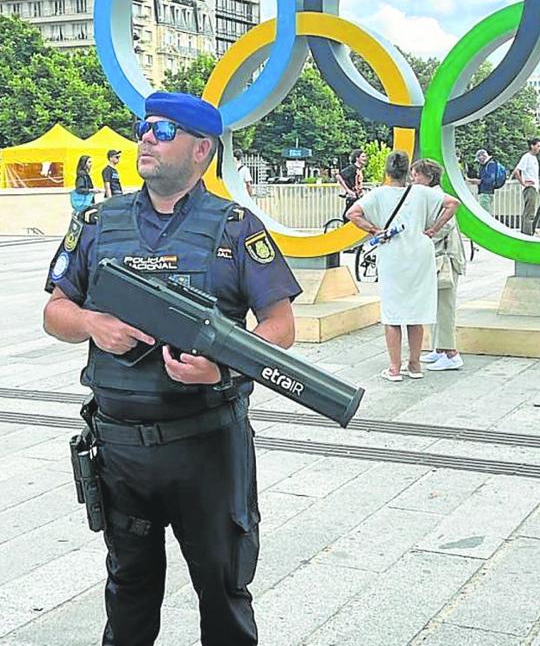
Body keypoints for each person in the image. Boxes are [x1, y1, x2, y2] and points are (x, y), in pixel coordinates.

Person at [43, 91, 300, 646]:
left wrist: (225, 369)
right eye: (144, 128)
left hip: (206, 446)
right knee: (129, 592)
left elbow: (280, 326)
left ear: (202, 149)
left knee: (224, 590)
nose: (145, 139)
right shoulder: (96, 222)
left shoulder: (234, 226)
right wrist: (91, 323)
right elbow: (54, 312)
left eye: (162, 131)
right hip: (121, 450)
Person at [347, 150, 458, 381]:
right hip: (419, 254)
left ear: (387, 171)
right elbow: (452, 204)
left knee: (393, 313)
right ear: (408, 171)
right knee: (416, 312)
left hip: (393, 256)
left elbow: (353, 213)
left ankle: (395, 368)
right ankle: (415, 365)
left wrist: (375, 230)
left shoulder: (378, 194)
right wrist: (433, 229)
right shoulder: (421, 192)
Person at [411, 159, 467, 371]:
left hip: (444, 256)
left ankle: (450, 352)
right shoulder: (432, 195)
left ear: (428, 176)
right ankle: (439, 348)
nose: (413, 179)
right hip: (438, 256)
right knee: (435, 304)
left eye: (417, 175)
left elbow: (446, 225)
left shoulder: (437, 197)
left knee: (444, 305)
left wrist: (426, 235)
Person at [512, 137, 540, 235]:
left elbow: (534, 176)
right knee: (529, 212)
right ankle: (527, 233)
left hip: (534, 188)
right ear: (532, 146)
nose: (539, 148)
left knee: (531, 211)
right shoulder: (527, 157)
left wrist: (539, 188)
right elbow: (516, 171)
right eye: (538, 146)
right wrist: (523, 183)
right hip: (529, 188)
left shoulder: (534, 159)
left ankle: (529, 231)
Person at [337, 148, 367, 218]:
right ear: (357, 158)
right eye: (362, 157)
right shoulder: (352, 168)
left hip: (358, 196)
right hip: (352, 197)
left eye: (365, 156)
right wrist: (348, 190)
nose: (365, 158)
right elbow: (338, 176)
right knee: (349, 216)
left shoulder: (359, 169)